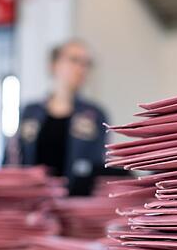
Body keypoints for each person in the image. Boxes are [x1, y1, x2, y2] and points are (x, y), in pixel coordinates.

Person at [6, 39, 109, 195]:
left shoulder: (94, 115)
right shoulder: (30, 112)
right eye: (74, 60)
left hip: (75, 203)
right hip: (33, 201)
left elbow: (99, 165)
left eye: (86, 63)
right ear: (54, 65)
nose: (81, 68)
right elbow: (12, 159)